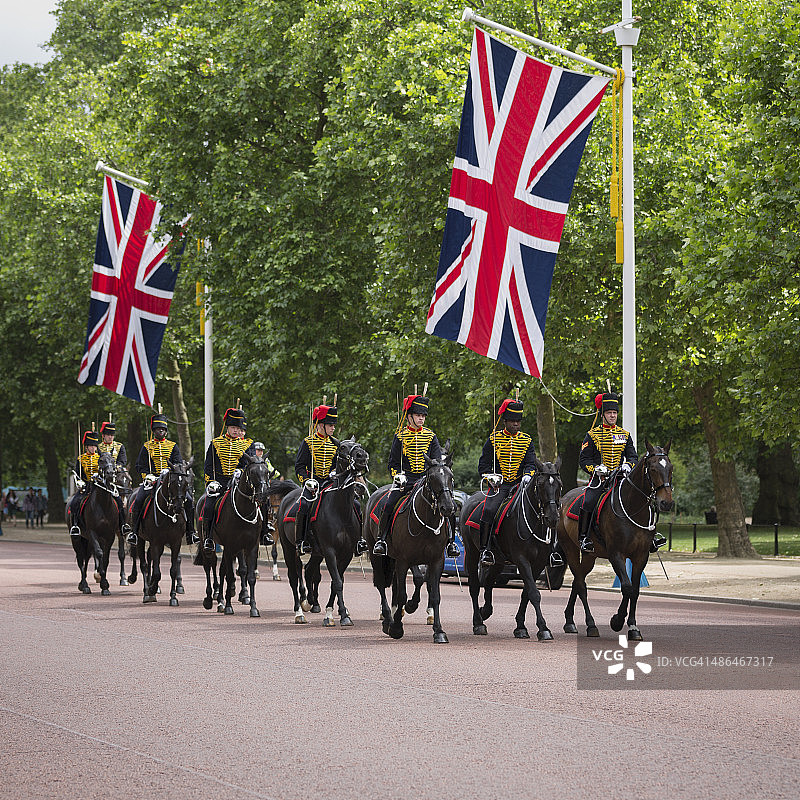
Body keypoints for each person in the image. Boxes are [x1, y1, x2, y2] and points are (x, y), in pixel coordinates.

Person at [477, 399, 562, 568]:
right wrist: (490, 477)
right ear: (505, 421)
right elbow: (483, 465)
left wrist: (528, 475)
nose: (516, 424)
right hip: (500, 486)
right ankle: (485, 549)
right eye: (512, 421)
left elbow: (530, 462)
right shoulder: (494, 439)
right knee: (489, 510)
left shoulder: (526, 440)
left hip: (521, 484)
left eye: (518, 421)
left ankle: (552, 551)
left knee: (548, 509)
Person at [372, 394, 460, 559]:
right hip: (405, 480)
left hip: (427, 481)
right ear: (409, 416)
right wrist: (398, 475)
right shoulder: (400, 437)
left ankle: (450, 542)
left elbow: (436, 462)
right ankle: (381, 540)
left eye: (423, 416)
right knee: (388, 504)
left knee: (450, 505)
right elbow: (393, 463)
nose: (421, 419)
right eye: (418, 415)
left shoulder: (431, 436)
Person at [578, 392, 667, 553]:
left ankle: (651, 537)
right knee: (589, 501)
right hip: (601, 479)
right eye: (609, 413)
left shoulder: (625, 435)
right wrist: (596, 469)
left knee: (645, 498)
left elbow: (632, 456)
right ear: (602, 415)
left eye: (614, 413)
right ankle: (584, 538)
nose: (612, 416)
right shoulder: (592, 435)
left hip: (621, 477)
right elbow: (584, 460)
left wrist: (628, 465)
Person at [200, 408, 257, 552]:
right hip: (219, 482)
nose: (236, 430)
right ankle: (208, 538)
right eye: (233, 427)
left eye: (238, 428)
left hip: (239, 482)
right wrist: (211, 482)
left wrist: (241, 471)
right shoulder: (215, 443)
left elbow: (250, 465)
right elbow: (208, 466)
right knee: (208, 506)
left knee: (259, 501)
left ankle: (264, 532)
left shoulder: (248, 444)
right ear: (227, 427)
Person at [128, 414, 190, 546]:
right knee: (138, 500)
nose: (160, 430)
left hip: (171, 480)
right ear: (153, 431)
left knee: (188, 499)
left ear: (166, 431)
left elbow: (179, 463)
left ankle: (191, 532)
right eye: (158, 428)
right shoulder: (147, 446)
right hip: (152, 480)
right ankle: (134, 532)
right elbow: (140, 465)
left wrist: (172, 471)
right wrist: (147, 476)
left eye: (163, 429)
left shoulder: (173, 446)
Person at [294, 404, 340, 555]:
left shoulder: (336, 444)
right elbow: (300, 466)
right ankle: (301, 541)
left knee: (354, 504)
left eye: (333, 425)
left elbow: (338, 465)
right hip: (313, 483)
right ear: (321, 425)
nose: (333, 428)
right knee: (304, 505)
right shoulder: (308, 442)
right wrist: (306, 480)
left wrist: (335, 472)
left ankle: (356, 540)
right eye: (330, 425)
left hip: (330, 483)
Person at [67, 431, 101, 537]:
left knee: (117, 500)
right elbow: (78, 473)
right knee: (75, 502)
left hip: (99, 486)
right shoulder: (81, 459)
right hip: (86, 486)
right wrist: (80, 482)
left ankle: (121, 525)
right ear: (86, 447)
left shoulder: (100, 458)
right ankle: (75, 525)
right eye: (91, 446)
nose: (93, 448)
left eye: (95, 446)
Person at [253, 441, 279, 546]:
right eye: (258, 450)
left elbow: (273, 472)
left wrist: (274, 474)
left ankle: (265, 530)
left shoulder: (266, 461)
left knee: (266, 504)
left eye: (262, 451)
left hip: (263, 487)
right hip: (252, 488)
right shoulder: (251, 460)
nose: (260, 452)